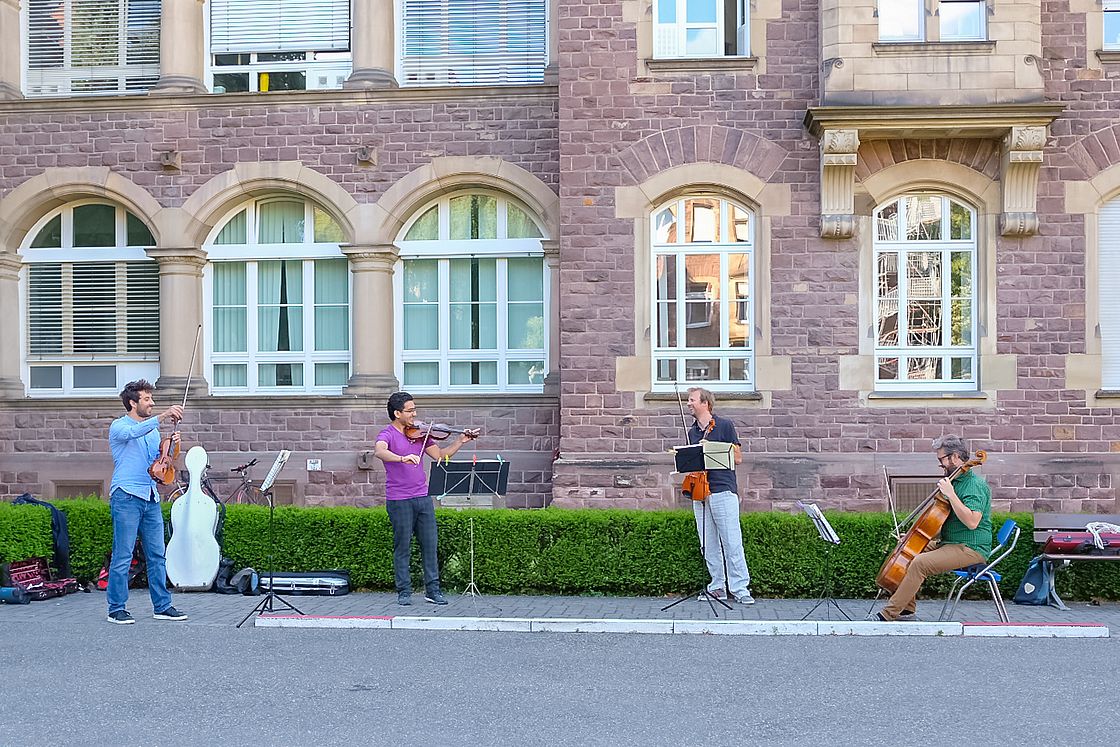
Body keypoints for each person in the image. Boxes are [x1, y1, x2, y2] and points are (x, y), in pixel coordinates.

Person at [374, 391, 479, 606]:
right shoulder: (387, 434)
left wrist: (460, 440)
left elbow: (441, 455)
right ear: (397, 413)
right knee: (402, 546)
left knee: (430, 545)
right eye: (410, 411)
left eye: (415, 410)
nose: (415, 414)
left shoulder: (421, 434)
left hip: (422, 497)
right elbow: (379, 452)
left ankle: (433, 590)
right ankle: (404, 592)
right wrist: (403, 458)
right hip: (399, 499)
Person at [877, 435, 992, 621]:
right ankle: (907, 610)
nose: (940, 465)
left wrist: (951, 495)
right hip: (950, 543)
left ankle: (888, 614)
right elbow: (943, 521)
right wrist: (916, 536)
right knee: (908, 549)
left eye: (942, 460)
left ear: (954, 457)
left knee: (920, 563)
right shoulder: (954, 481)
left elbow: (972, 522)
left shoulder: (974, 485)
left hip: (971, 548)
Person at [106, 379, 188, 624]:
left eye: (152, 399)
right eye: (147, 399)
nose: (151, 403)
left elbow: (160, 462)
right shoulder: (118, 426)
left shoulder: (152, 430)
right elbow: (134, 432)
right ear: (133, 403)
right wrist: (163, 416)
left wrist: (173, 445)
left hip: (150, 496)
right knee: (123, 554)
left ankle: (162, 606)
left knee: (157, 555)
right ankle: (116, 608)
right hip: (126, 495)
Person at [686, 387, 754, 605]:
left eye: (692, 400)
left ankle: (740, 588)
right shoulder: (693, 432)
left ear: (705, 403)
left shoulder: (724, 425)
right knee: (708, 544)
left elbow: (738, 457)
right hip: (700, 491)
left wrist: (712, 447)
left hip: (722, 489)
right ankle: (717, 586)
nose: (688, 403)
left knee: (732, 541)